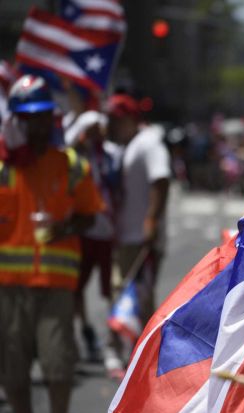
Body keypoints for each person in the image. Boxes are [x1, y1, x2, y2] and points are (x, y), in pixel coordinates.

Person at [0, 75, 103, 413]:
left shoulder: (71, 164)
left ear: (52, 118)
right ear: (15, 120)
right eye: (27, 118)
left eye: (42, 116)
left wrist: (65, 227)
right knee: (11, 366)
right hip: (8, 286)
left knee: (59, 363)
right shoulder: (3, 166)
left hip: (56, 283)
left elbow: (90, 216)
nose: (36, 125)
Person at [104, 93, 170, 376]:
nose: (111, 127)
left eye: (115, 121)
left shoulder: (148, 143)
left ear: (130, 119)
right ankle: (138, 356)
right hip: (126, 235)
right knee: (126, 296)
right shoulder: (129, 145)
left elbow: (161, 180)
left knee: (135, 298)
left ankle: (140, 358)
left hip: (141, 238)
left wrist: (151, 220)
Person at [65, 110, 122, 362]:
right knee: (76, 288)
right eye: (93, 129)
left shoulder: (111, 154)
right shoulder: (74, 156)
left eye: (101, 127)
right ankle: (86, 332)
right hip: (84, 231)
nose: (100, 133)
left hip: (108, 231)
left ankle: (114, 337)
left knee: (111, 288)